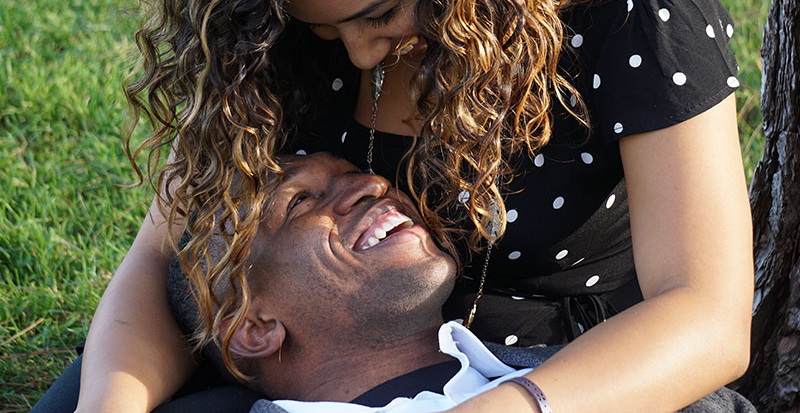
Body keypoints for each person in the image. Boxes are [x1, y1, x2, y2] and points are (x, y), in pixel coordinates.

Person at [32, 0, 754, 412]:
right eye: (324, 29)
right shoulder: (271, 25)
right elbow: (168, 253)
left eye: (382, 13)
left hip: (560, 378)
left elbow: (707, 317)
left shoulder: (628, 7)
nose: (359, 53)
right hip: (317, 357)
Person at [163, 152, 753, 413]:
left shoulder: (633, 387)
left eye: (354, 173)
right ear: (254, 327)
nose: (372, 184)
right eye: (300, 203)